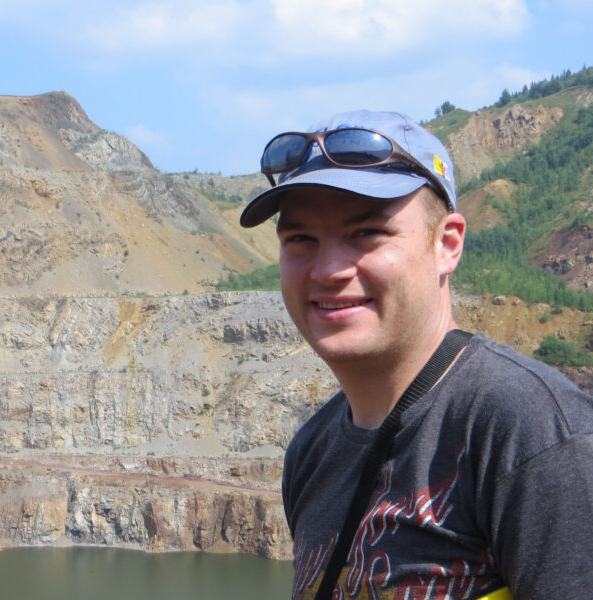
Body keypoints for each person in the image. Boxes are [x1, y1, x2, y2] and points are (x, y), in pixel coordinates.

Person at [240, 110, 593, 600]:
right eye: (301, 239)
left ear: (446, 244)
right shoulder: (312, 450)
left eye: (366, 233)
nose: (328, 270)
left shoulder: (530, 429)